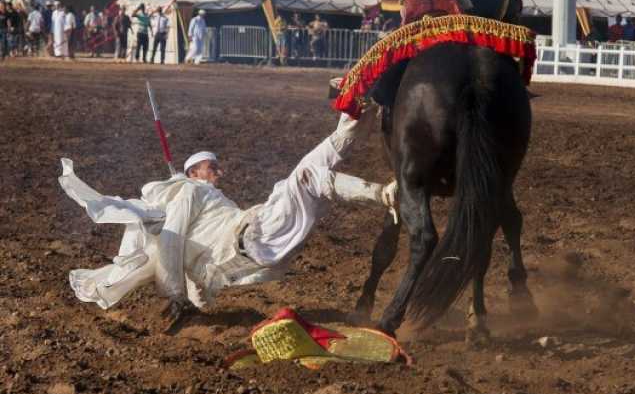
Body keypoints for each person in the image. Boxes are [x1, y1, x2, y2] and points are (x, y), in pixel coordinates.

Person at [60, 107, 397, 326]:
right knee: (306, 179)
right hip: (249, 240)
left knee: (306, 171)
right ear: (193, 172)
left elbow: (200, 277)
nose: (219, 171)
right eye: (212, 166)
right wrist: (176, 295)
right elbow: (172, 240)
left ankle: (357, 114)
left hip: (253, 242)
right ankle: (386, 194)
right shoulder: (190, 192)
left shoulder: (209, 199)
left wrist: (195, 307)